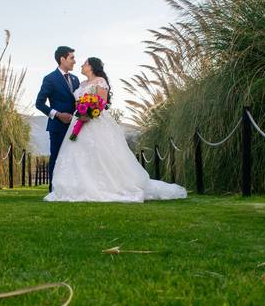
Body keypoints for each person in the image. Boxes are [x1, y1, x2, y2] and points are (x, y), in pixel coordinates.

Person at [44, 57, 187, 202]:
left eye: (85, 63)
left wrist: (89, 113)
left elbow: (102, 102)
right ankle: (79, 187)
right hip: (78, 122)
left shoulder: (100, 81)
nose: (81, 65)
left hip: (95, 121)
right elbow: (76, 102)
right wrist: (80, 113)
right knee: (78, 153)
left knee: (101, 153)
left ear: (91, 66)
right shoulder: (81, 84)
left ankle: (107, 186)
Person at [35, 46, 80, 190]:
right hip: (57, 127)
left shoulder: (75, 79)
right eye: (72, 58)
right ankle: (53, 189)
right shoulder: (50, 79)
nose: (74, 61)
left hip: (76, 127)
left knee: (74, 158)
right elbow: (39, 103)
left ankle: (72, 188)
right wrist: (58, 115)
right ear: (62, 59)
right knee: (57, 157)